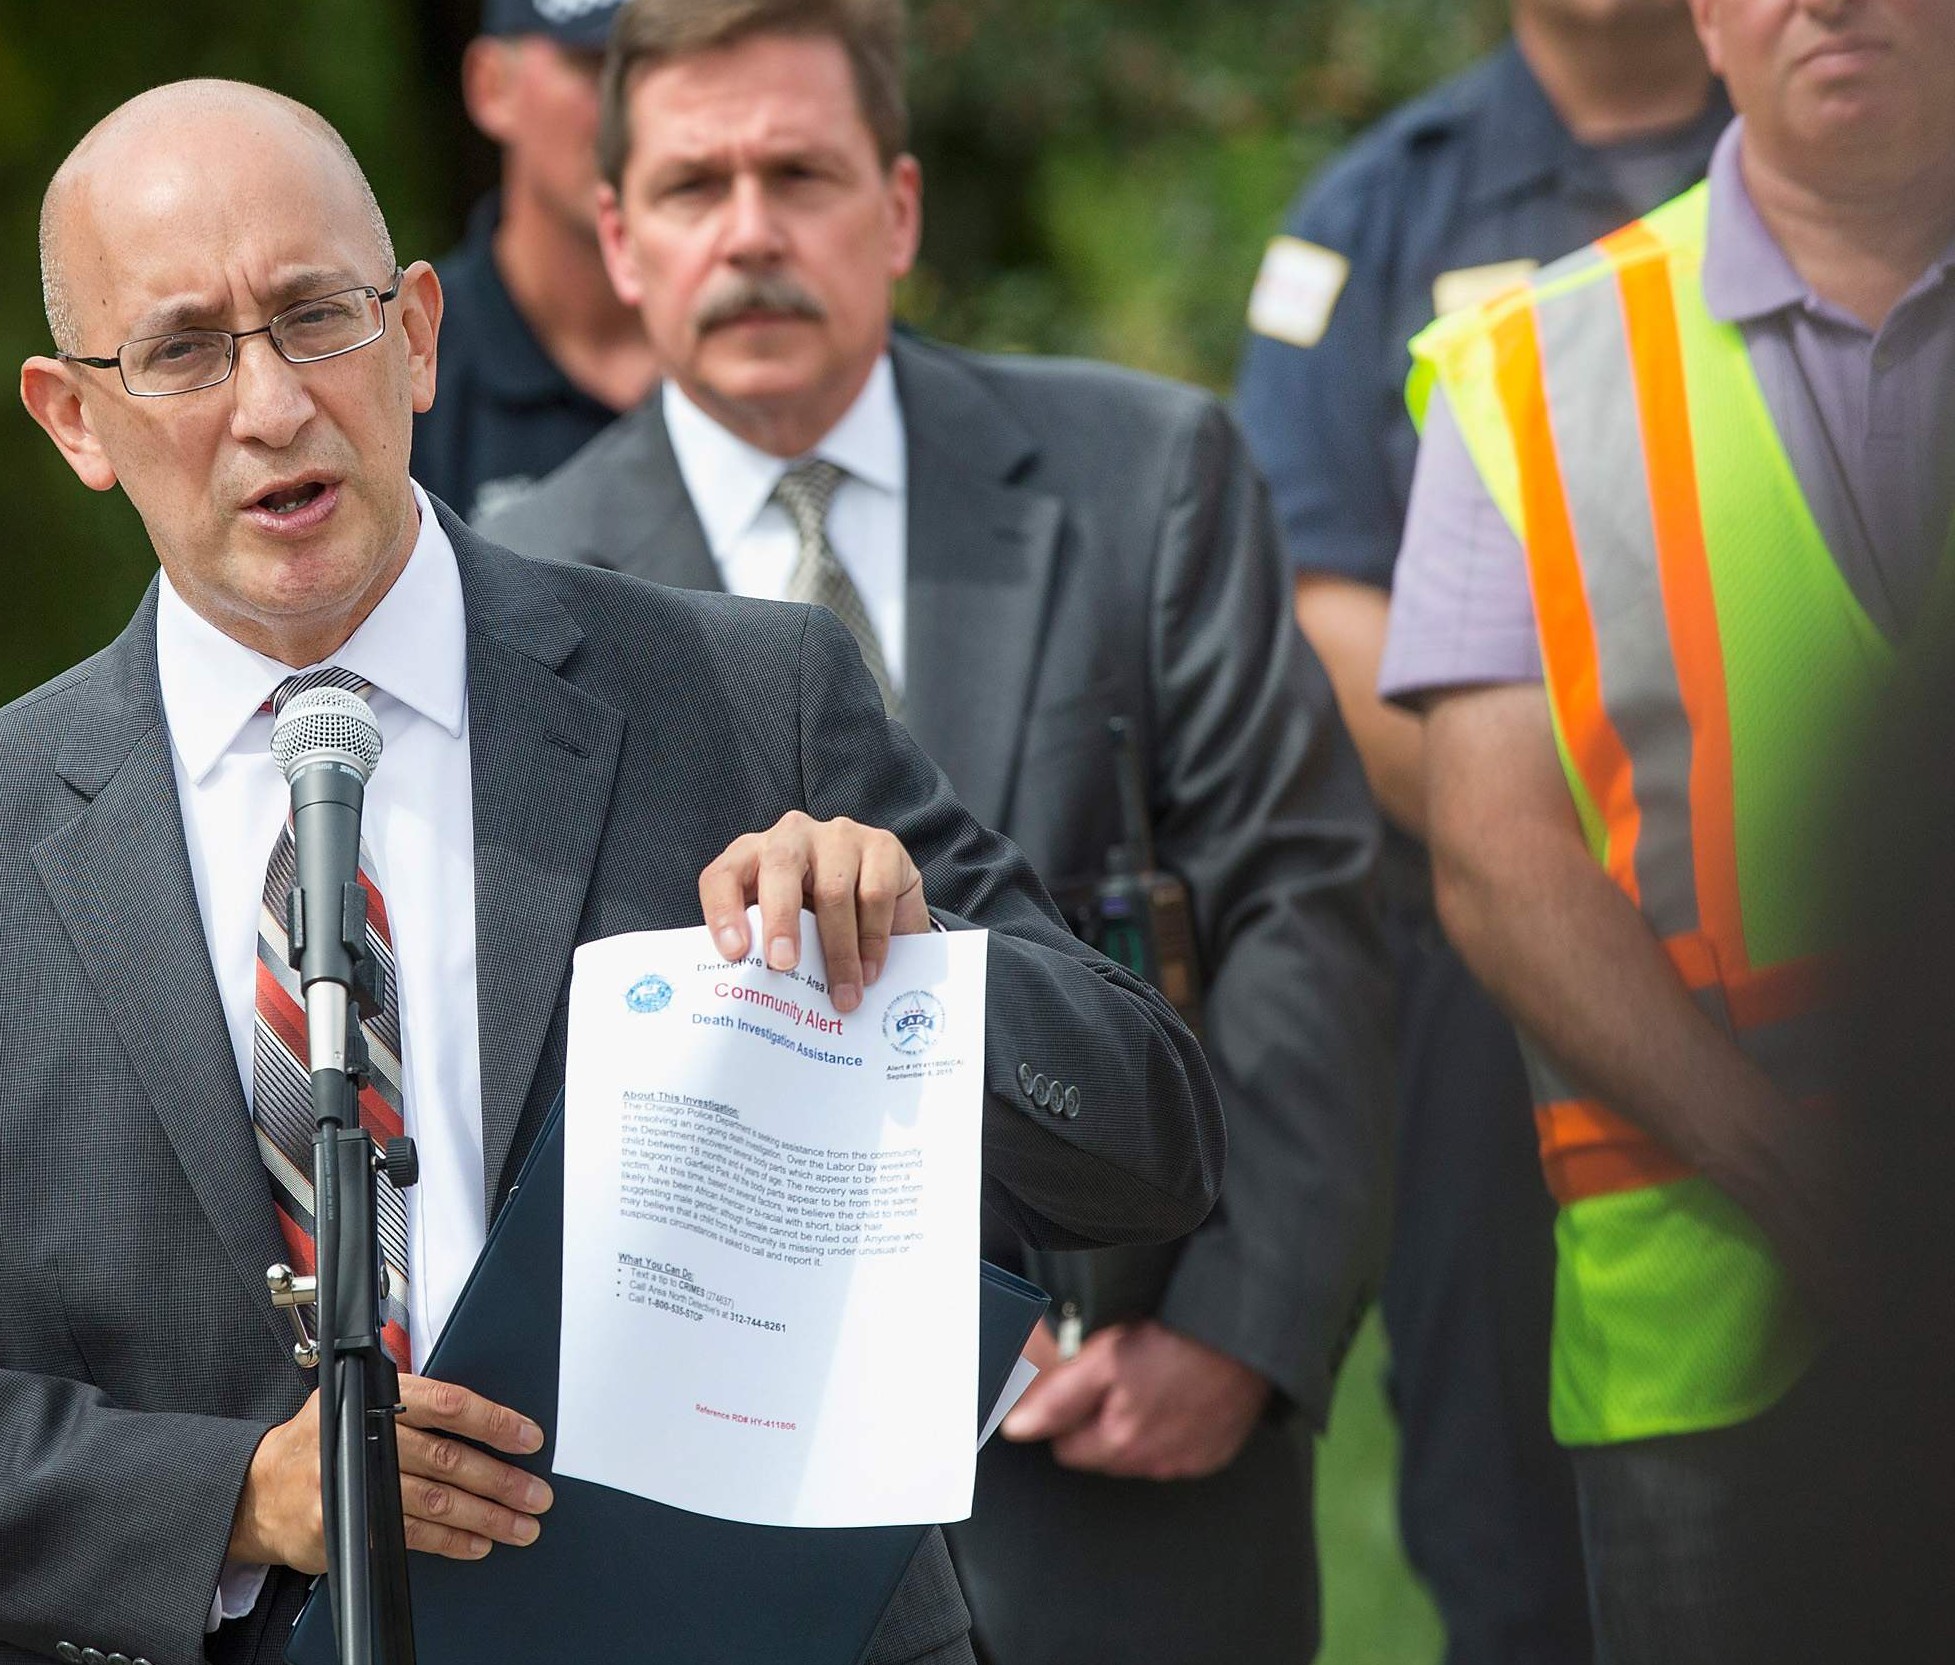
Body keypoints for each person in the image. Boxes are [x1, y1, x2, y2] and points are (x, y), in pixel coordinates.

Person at [0, 78, 1226, 1665]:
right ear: (73, 418)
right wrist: (236, 1493)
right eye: (179, 350)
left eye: (316, 316)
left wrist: (921, 974)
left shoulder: (745, 699)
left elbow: (1152, 1147)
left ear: (419, 332)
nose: (270, 405)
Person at [484, 2, 1392, 1659]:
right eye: (694, 186)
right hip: (734, 1535)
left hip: (1135, 1476)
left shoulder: (1148, 479)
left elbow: (1306, 908)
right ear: (617, 237)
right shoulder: (513, 590)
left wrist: (1241, 1330)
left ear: (897, 208)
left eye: (801, 174)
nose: (750, 230)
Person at [1380, 0, 1955, 1655]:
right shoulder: (1529, 369)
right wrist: (1796, 1174)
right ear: (1706, 15)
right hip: (1708, 1342)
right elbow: (1496, 859)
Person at [1229, 6, 1726, 1656]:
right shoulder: (1373, 216)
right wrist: (1589, 851)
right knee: (1506, 1516)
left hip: (1843, 942)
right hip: (1479, 992)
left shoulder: (1851, 154)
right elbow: (1321, 616)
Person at [413, 0, 656, 518]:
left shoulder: (758, 346)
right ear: (491, 85)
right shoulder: (411, 369)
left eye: (655, 64)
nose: (633, 109)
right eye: (594, 65)